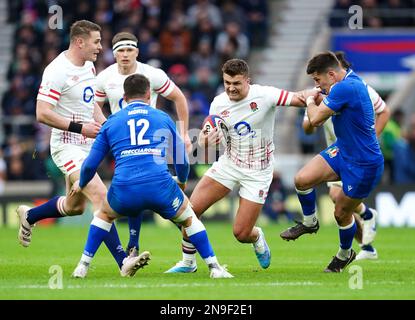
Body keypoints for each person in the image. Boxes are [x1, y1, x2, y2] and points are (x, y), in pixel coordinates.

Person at [71, 74, 233, 279]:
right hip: (160, 186)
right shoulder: (162, 117)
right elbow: (181, 160)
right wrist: (181, 183)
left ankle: (82, 266)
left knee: (103, 215)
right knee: (189, 217)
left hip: (124, 188)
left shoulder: (112, 122)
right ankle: (214, 267)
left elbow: (90, 165)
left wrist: (81, 183)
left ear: (124, 96)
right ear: (149, 94)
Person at [16, 20, 143, 277]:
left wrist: (106, 126)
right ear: (79, 42)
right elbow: (42, 113)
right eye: (96, 42)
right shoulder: (56, 71)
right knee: (101, 198)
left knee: (75, 208)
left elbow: (89, 103)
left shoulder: (88, 65)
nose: (100, 47)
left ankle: (30, 215)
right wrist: (80, 128)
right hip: (67, 146)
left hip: (88, 144)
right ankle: (123, 261)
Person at [166, 58, 306, 273]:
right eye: (227, 83)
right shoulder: (218, 103)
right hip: (228, 164)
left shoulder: (265, 95)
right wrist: (205, 141)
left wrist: (320, 94)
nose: (231, 88)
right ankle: (188, 262)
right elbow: (207, 136)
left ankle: (257, 236)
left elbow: (298, 98)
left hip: (258, 171)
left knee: (241, 233)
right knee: (190, 212)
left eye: (236, 84)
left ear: (247, 81)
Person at [280, 51, 384, 272]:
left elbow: (315, 120)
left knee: (341, 212)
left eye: (318, 80)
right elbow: (311, 124)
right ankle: (310, 222)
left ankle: (344, 254)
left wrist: (310, 100)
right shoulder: (347, 82)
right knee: (302, 179)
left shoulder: (346, 88)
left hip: (364, 163)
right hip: (343, 149)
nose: (317, 85)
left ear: (331, 74)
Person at [95, 32, 191, 256]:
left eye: (129, 50)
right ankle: (136, 243)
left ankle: (144, 243)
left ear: (137, 51)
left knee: (142, 186)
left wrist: (184, 134)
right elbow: (94, 105)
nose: (125, 54)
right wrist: (107, 127)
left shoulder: (152, 74)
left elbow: (179, 98)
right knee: (133, 187)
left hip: (151, 141)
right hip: (123, 142)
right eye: (120, 50)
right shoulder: (104, 77)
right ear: (114, 53)